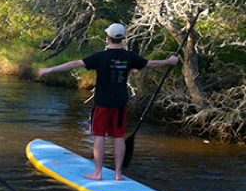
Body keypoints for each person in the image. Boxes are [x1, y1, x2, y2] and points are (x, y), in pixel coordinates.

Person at [37, 23, 178, 181]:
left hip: (103, 103)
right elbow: (150, 64)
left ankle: (98, 173)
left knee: (99, 137)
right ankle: (118, 174)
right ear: (123, 38)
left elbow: (75, 64)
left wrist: (49, 69)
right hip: (120, 103)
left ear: (108, 38)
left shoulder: (100, 57)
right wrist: (168, 61)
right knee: (118, 137)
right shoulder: (129, 57)